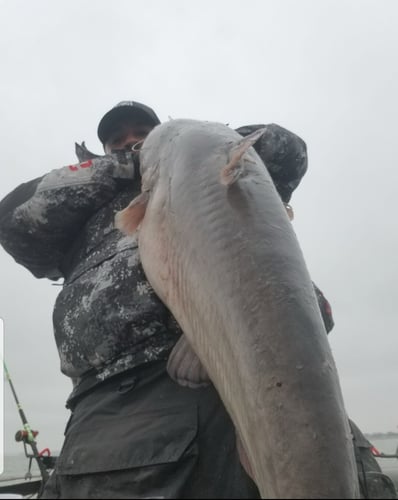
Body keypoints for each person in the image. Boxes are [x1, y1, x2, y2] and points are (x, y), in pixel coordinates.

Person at [0, 101, 390, 499]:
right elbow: (13, 218)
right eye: (118, 140)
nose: (132, 142)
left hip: (276, 370)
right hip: (129, 404)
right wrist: (123, 167)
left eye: (142, 133)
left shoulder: (216, 167)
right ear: (99, 154)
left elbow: (287, 149)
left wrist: (182, 142)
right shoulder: (89, 206)